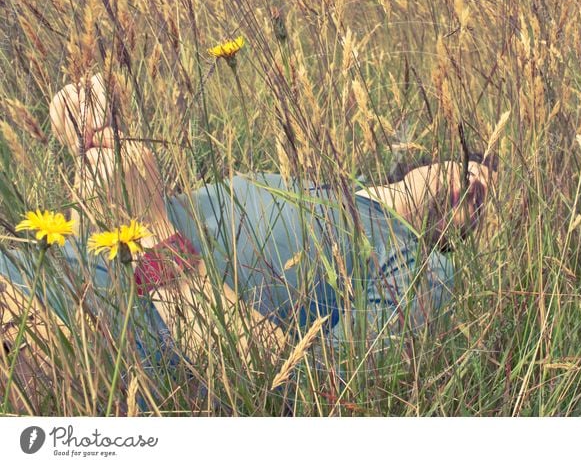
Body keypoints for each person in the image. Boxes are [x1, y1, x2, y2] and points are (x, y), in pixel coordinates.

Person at [0, 74, 497, 412]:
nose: (480, 184)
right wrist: (96, 134)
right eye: (475, 164)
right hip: (24, 265)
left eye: (486, 203)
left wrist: (148, 236)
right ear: (420, 162)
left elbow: (304, 399)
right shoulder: (301, 185)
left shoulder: (423, 272)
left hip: (64, 347)